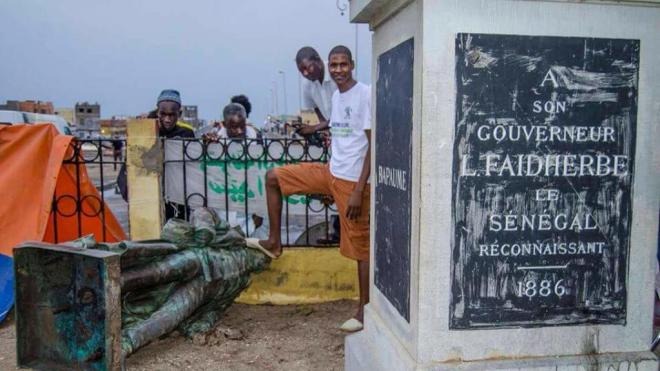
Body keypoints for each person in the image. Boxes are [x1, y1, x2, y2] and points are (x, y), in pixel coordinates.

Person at [246, 45, 371, 332]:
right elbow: (336, 127)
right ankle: (274, 243)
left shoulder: (364, 93)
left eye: (343, 65)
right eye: (334, 65)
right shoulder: (337, 97)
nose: (338, 70)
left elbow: (372, 144)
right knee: (273, 177)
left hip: (352, 182)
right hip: (330, 172)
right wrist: (314, 129)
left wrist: (357, 190)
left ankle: (363, 311)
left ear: (352, 65)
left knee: (360, 248)